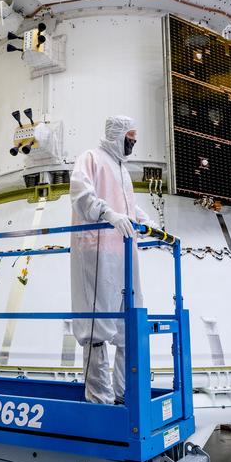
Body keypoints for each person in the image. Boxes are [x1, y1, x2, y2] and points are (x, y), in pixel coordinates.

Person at [70, 115, 153, 404]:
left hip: (124, 252)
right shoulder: (91, 158)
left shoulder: (122, 170)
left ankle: (123, 394)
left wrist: (147, 221)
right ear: (117, 134)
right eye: (130, 137)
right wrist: (107, 213)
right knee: (96, 328)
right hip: (97, 251)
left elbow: (128, 206)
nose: (133, 142)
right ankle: (99, 399)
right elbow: (81, 194)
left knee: (127, 327)